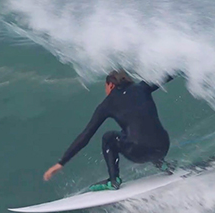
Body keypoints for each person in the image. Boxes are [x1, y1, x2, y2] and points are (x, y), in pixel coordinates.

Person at [43, 70, 175, 191]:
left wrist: (62, 162)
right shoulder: (143, 87)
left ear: (111, 85)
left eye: (105, 87)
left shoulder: (107, 104)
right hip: (163, 146)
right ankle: (162, 163)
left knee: (109, 137)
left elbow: (86, 135)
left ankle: (113, 180)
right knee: (139, 131)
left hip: (138, 152)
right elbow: (168, 75)